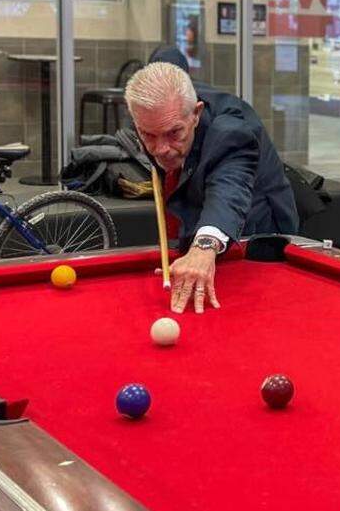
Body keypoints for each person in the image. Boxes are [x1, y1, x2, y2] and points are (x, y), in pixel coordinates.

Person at [126, 48, 299, 314]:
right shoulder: (156, 112)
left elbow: (229, 190)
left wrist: (203, 247)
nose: (161, 149)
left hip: (259, 229)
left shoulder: (231, 131)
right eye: (148, 135)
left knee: (249, 314)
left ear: (196, 113)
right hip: (204, 209)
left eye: (174, 133)